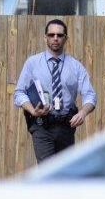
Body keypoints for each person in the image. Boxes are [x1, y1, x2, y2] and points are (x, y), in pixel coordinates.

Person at [13, 19, 97, 163]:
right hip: (41, 126)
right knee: (47, 172)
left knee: (64, 173)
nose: (55, 38)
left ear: (66, 38)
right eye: (51, 35)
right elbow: (19, 93)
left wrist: (83, 112)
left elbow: (90, 95)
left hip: (66, 126)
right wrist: (33, 111)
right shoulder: (32, 63)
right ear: (45, 37)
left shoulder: (76, 67)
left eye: (59, 35)